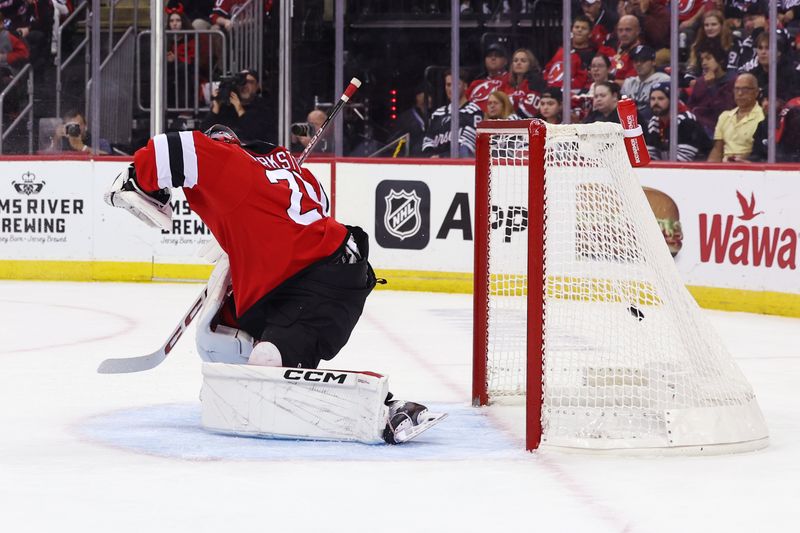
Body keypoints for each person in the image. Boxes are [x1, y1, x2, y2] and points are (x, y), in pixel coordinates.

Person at [103, 125, 445, 444]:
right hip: (315, 276)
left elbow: (174, 147)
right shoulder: (276, 165)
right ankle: (271, 383)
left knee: (266, 362)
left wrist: (136, 178)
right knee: (230, 331)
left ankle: (384, 409)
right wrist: (241, 241)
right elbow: (315, 207)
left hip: (320, 282)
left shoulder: (225, 160)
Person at [422, 68, 483, 157]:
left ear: (465, 86)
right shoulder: (438, 114)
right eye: (448, 85)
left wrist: (442, 157)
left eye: (455, 84)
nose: (451, 88)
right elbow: (427, 142)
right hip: (435, 166)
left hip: (459, 167)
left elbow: (466, 148)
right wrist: (431, 157)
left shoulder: (474, 112)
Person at [200, 69, 272, 143]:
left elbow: (255, 133)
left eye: (250, 82)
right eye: (242, 82)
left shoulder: (263, 107)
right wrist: (216, 107)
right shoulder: (226, 105)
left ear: (258, 86)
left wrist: (239, 109)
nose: (245, 85)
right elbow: (204, 132)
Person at [644, 82, 712, 161]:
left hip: (698, 169)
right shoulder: (654, 122)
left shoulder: (687, 121)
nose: (655, 103)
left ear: (672, 100)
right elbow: (650, 156)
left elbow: (683, 160)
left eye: (661, 98)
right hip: (668, 169)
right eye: (652, 99)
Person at [708, 72, 764, 162]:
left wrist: (738, 161)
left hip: (750, 166)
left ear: (756, 92)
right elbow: (717, 150)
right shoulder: (724, 116)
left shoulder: (763, 117)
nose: (740, 93)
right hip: (724, 168)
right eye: (736, 89)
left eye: (745, 89)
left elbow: (759, 153)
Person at [687, 42, 735, 137]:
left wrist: (712, 86)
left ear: (720, 60)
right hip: (697, 126)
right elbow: (690, 107)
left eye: (708, 58)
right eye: (702, 60)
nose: (704, 63)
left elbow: (725, 113)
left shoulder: (732, 82)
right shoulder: (700, 82)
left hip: (718, 129)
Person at [620, 44, 670, 112]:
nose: (638, 64)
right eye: (635, 61)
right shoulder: (629, 83)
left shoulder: (664, 80)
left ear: (653, 62)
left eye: (643, 60)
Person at [501, 47, 547, 118]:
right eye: (515, 61)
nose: (518, 63)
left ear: (530, 64)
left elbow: (529, 111)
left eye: (523, 61)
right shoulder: (507, 85)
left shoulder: (536, 83)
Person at [466, 41, 509, 112]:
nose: (493, 58)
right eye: (489, 55)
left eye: (497, 55)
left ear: (505, 61)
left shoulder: (511, 79)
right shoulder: (476, 83)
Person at [608, 14, 642, 83]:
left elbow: (631, 84)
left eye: (628, 30)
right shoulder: (612, 47)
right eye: (620, 30)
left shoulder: (641, 54)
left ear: (638, 31)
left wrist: (605, 82)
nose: (623, 34)